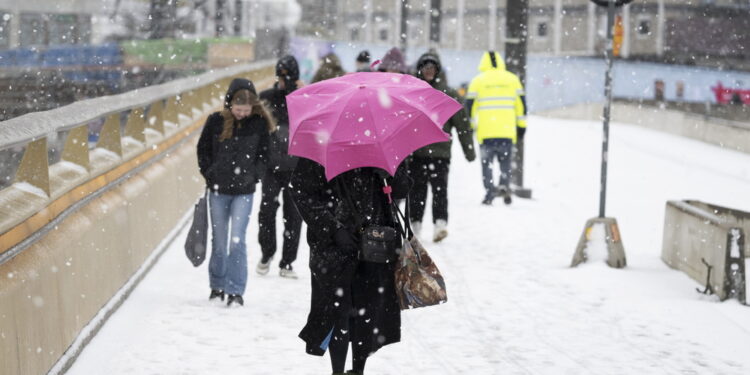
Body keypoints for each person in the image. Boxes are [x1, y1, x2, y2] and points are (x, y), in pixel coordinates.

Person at [290, 159, 410, 375]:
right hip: (331, 246)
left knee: (367, 309)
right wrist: (332, 228)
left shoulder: (381, 141)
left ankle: (357, 369)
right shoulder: (323, 143)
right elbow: (301, 191)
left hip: (374, 240)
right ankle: (337, 370)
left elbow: (403, 188)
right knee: (337, 310)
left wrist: (389, 172)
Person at [196, 78, 275, 306]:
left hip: (244, 191)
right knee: (219, 241)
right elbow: (202, 150)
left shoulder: (259, 124)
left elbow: (265, 155)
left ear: (253, 107)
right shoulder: (215, 122)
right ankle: (217, 285)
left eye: (246, 110)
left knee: (236, 241)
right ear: (230, 104)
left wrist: (255, 176)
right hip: (219, 190)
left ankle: (236, 290)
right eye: (238, 110)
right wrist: (211, 174)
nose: (241, 114)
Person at [408, 51, 476, 242]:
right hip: (417, 153)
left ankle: (440, 224)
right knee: (417, 191)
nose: (429, 71)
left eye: (432, 68)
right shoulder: (413, 93)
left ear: (437, 70)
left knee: (440, 190)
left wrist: (469, 151)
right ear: (420, 70)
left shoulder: (448, 94)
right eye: (425, 68)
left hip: (440, 153)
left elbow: (462, 126)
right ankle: (416, 226)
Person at [256, 55, 304, 279]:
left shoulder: (303, 98)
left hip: (296, 166)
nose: (285, 81)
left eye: (289, 76)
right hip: (271, 165)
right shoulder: (266, 98)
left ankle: (287, 262)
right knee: (267, 211)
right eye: (282, 76)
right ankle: (267, 253)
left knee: (293, 216)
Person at [465, 51, 527, 206]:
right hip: (506, 132)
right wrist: (521, 126)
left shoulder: (477, 81)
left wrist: (470, 127)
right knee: (505, 163)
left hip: (486, 133)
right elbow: (521, 105)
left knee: (487, 165)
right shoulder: (512, 80)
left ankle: (489, 192)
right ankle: (504, 185)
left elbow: (470, 108)